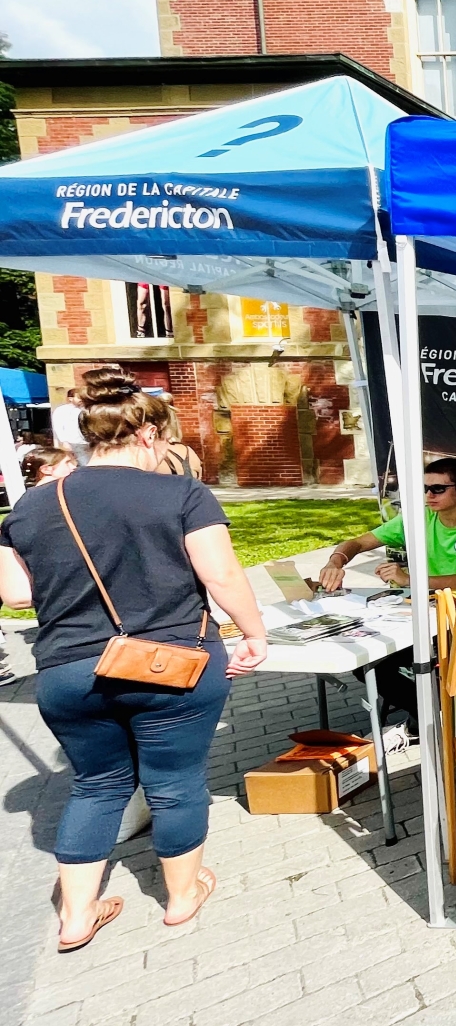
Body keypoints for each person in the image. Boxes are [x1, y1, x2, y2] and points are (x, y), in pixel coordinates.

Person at [0, 371, 268, 952]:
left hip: (68, 670)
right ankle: (181, 896)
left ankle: (77, 915)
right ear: (147, 434)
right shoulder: (183, 495)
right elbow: (221, 575)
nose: (166, 451)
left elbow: (16, 596)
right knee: (174, 782)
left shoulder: (31, 505)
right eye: (165, 441)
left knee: (96, 785)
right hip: (171, 663)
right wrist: (253, 634)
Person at [317, 456, 456, 592]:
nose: (429, 495)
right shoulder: (418, 517)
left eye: (438, 489)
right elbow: (358, 543)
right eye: (425, 488)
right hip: (423, 601)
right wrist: (334, 563)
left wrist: (408, 580)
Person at [51, 388, 87, 466]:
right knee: (82, 463)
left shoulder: (85, 409)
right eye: (79, 397)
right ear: (70, 398)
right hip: (73, 442)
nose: (81, 399)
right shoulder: (62, 410)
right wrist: (64, 441)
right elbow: (58, 427)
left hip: (87, 442)